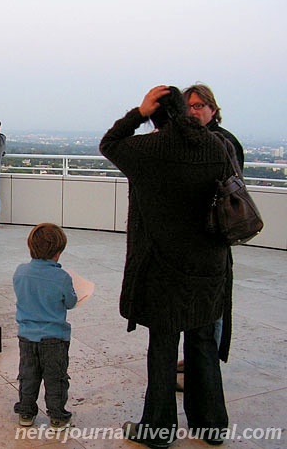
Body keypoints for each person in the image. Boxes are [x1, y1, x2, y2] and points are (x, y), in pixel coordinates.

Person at [100, 86, 233, 448]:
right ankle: (212, 426)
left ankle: (158, 430)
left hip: (163, 267)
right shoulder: (215, 146)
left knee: (162, 348)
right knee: (203, 342)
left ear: (156, 115)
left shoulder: (149, 150)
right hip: (209, 263)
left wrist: (138, 112)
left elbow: (109, 143)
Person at [177, 84, 243, 387]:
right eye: (188, 106)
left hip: (212, 240)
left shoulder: (222, 143)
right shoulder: (192, 141)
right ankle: (196, 361)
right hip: (192, 239)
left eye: (199, 105)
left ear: (212, 110)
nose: (193, 111)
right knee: (196, 307)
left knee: (211, 309)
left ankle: (204, 369)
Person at [13, 223, 78, 429]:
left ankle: (25, 413)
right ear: (58, 253)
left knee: (28, 376)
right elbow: (71, 302)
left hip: (26, 337)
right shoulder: (62, 277)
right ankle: (57, 415)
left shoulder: (20, 272)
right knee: (56, 378)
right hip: (54, 339)